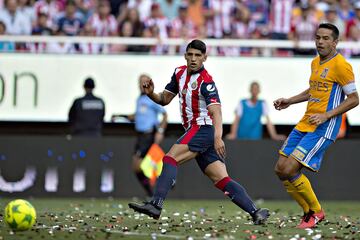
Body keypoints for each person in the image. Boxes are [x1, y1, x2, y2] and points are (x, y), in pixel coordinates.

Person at [128, 39, 270, 225]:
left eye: (198, 55)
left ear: (205, 58)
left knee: (170, 158)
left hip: (203, 129)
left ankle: (156, 204)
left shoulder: (206, 82)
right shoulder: (179, 73)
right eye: (190, 55)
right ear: (185, 55)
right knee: (221, 179)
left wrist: (218, 137)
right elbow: (164, 99)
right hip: (199, 132)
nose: (194, 59)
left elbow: (216, 111)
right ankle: (255, 212)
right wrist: (151, 94)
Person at [273, 23, 359, 229]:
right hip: (305, 122)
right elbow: (313, 90)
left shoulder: (341, 65)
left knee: (291, 167)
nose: (320, 41)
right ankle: (308, 213)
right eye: (318, 37)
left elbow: (354, 98)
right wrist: (290, 101)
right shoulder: (315, 63)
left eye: (326, 38)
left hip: (324, 126)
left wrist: (326, 115)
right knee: (280, 169)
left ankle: (315, 211)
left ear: (335, 42)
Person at [112, 74, 168, 197]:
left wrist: (160, 131)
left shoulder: (152, 98)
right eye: (140, 82)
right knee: (139, 167)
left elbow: (164, 115)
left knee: (137, 165)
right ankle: (156, 188)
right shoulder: (140, 99)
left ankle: (154, 189)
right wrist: (120, 116)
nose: (142, 85)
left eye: (145, 82)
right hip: (140, 136)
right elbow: (136, 116)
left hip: (148, 134)